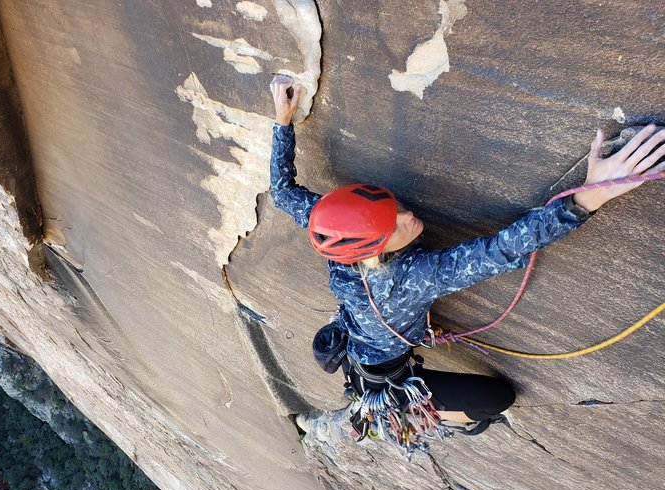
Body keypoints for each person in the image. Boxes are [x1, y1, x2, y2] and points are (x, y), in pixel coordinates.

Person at [268, 74, 665, 441]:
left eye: (394, 207)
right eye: (396, 225)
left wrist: (282, 121)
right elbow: (501, 250)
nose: (409, 216)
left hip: (363, 343)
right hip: (382, 372)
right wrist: (590, 194)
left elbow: (283, 192)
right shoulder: (410, 279)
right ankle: (402, 413)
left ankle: (355, 413)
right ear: (374, 250)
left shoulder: (339, 230)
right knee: (496, 401)